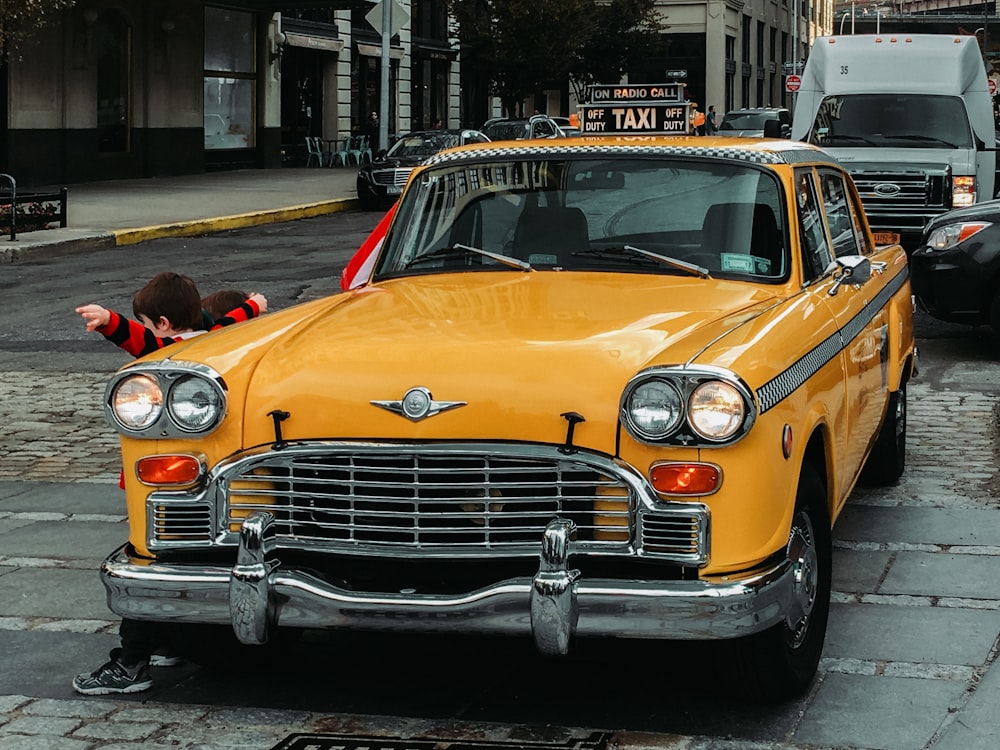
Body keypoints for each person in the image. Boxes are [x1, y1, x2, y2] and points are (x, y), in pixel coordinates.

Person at [72, 272, 267, 696]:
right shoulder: (219, 340)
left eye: (146, 321)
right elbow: (233, 318)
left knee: (150, 557)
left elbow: (136, 342)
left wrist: (108, 320)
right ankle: (169, 640)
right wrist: (255, 305)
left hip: (163, 484)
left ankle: (131, 661)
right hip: (209, 484)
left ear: (161, 324)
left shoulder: (169, 352)